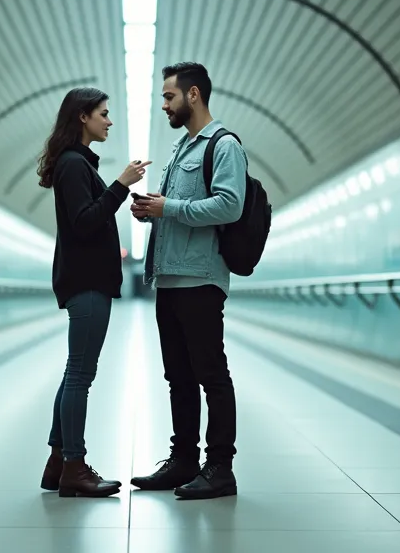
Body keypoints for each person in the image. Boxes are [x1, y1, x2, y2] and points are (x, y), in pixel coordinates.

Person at [130, 62, 246, 500]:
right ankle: (183, 460)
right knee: (177, 375)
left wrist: (170, 208)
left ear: (193, 94)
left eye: (168, 97)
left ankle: (220, 467)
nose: (164, 105)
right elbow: (177, 207)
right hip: (170, 279)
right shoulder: (181, 148)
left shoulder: (224, 145)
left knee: (211, 374)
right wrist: (152, 211)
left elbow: (229, 206)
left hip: (201, 279)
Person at [37, 87, 150, 498]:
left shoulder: (79, 164)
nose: (109, 120)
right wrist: (120, 186)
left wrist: (116, 191)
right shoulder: (73, 165)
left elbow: (88, 215)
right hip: (85, 282)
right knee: (80, 375)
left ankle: (57, 463)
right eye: (103, 113)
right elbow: (85, 221)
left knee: (75, 372)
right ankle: (74, 465)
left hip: (89, 280)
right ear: (83, 117)